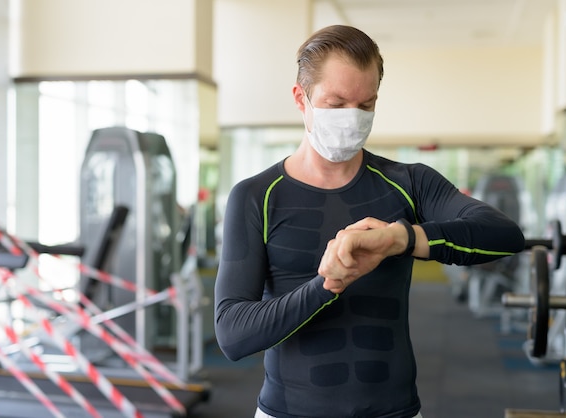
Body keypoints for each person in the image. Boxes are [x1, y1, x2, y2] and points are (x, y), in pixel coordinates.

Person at [214, 24, 525, 418]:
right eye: (337, 103)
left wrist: (402, 238)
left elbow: (506, 235)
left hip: (394, 411)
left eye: (366, 105)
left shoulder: (409, 181)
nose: (352, 118)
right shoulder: (256, 196)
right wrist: (326, 286)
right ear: (301, 98)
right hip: (286, 412)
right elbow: (233, 334)